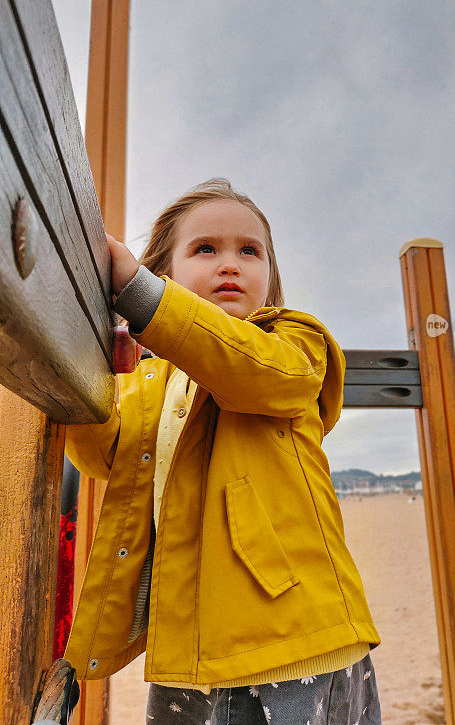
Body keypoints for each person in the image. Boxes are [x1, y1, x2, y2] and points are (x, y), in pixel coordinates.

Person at [63, 178, 382, 724]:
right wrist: (88, 368)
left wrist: (140, 296)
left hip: (291, 637)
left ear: (270, 278)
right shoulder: (149, 380)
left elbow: (256, 374)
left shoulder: (292, 341)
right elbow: (104, 459)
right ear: (168, 273)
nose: (230, 264)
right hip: (188, 643)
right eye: (206, 249)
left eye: (249, 251)